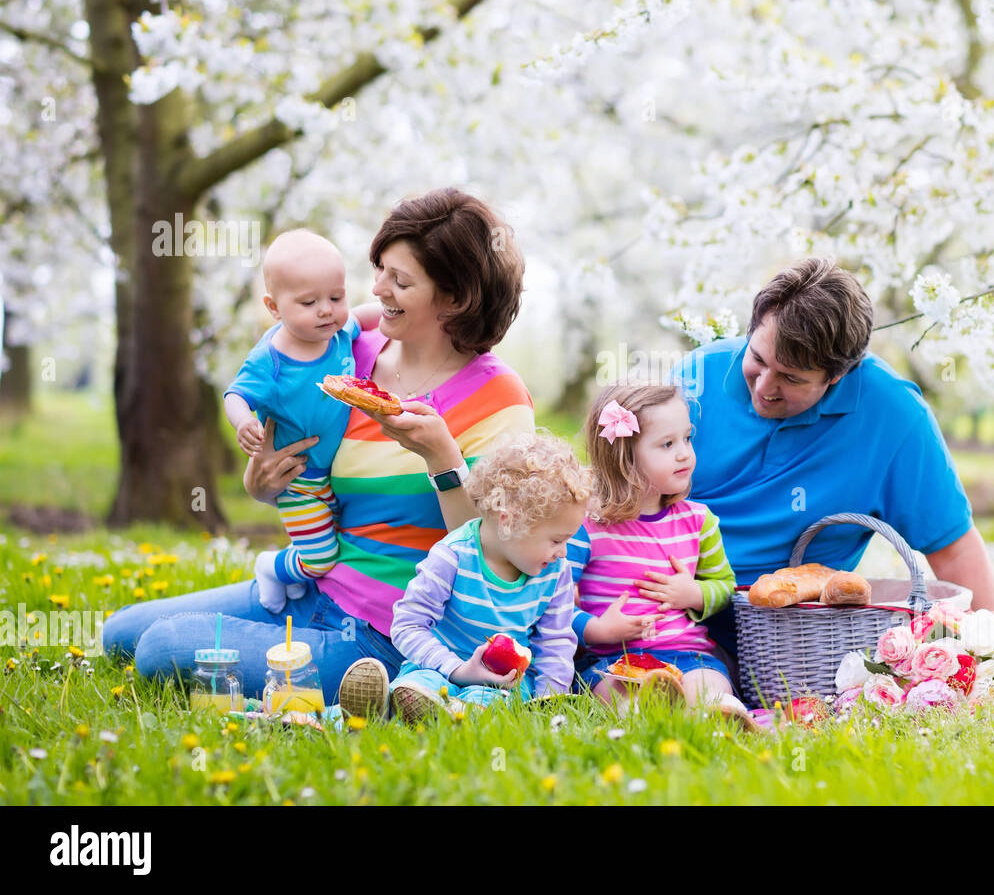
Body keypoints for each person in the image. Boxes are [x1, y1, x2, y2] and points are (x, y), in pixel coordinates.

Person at [102, 189, 534, 702]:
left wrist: (442, 459)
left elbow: (498, 554)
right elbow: (292, 449)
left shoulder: (498, 398)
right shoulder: (349, 351)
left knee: (162, 650)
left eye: (400, 280)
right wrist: (260, 480)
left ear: (456, 298)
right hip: (315, 587)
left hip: (393, 631)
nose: (378, 288)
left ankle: (393, 687)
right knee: (120, 633)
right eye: (378, 270)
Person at [671, 257, 994, 658]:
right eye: (757, 359)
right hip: (673, 607)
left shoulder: (894, 416)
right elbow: (623, 494)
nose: (765, 387)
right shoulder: (694, 378)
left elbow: (953, 546)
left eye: (792, 378)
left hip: (788, 637)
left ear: (838, 375)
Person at [339, 433, 588, 724]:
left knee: (488, 700)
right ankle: (354, 715)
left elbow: (556, 643)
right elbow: (408, 625)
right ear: (509, 521)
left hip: (503, 684)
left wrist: (548, 703)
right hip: (440, 669)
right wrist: (456, 669)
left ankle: (441, 717)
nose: (563, 552)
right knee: (418, 685)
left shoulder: (556, 573)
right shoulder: (453, 556)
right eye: (557, 540)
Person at [565, 383, 755, 728]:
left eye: (687, 438)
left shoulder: (698, 522)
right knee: (621, 696)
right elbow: (552, 598)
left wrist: (693, 593)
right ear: (624, 458)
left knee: (709, 686)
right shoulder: (588, 527)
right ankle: (643, 719)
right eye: (667, 444)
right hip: (614, 659)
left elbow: (725, 586)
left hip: (689, 655)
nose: (685, 453)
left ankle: (719, 718)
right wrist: (595, 630)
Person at [222, 229, 382, 613]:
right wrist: (243, 421)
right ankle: (273, 567)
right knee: (320, 559)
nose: (326, 309)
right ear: (274, 307)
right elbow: (236, 394)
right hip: (299, 481)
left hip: (335, 475)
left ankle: (297, 581)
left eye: (336, 297)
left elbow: (371, 314)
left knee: (331, 544)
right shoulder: (271, 360)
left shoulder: (340, 332)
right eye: (309, 302)